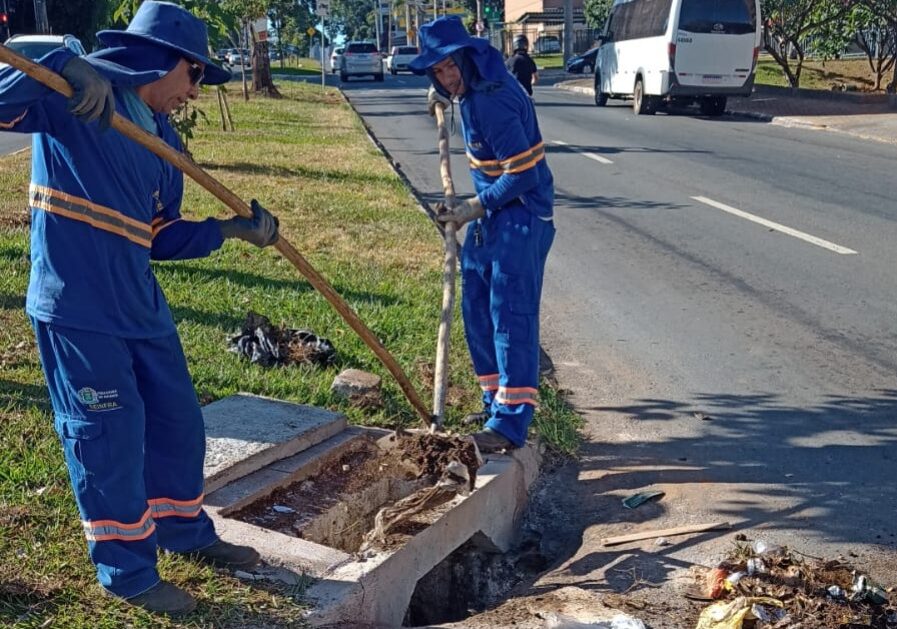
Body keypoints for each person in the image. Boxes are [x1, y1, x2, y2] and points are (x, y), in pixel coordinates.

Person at [0, 1, 279, 615]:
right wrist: (62, 62)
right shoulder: (71, 99)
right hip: (78, 307)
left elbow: (160, 235)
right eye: (195, 74)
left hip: (139, 307)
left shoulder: (163, 140)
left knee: (178, 421)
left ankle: (181, 529)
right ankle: (126, 566)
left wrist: (230, 230)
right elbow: (6, 74)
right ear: (161, 61)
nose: (195, 90)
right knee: (108, 434)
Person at [409, 17, 555, 454]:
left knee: (511, 315)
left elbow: (524, 174)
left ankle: (509, 424)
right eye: (438, 71)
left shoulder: (492, 100)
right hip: (496, 213)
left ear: (469, 57)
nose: (447, 76)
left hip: (523, 215)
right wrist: (444, 97)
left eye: (451, 66)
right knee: (476, 301)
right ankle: (495, 401)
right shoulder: (469, 93)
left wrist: (473, 207)